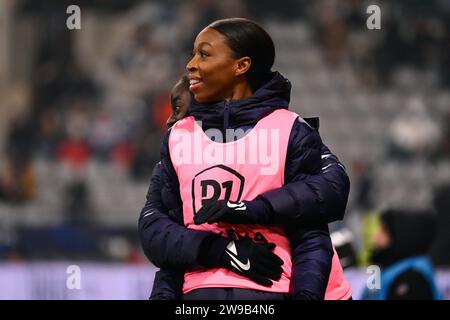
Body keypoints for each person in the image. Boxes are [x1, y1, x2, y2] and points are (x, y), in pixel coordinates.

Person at [139, 18, 352, 300]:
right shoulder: (179, 134)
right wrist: (220, 249)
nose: (190, 64)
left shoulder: (290, 130)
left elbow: (312, 235)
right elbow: (157, 229)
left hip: (270, 291)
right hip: (198, 294)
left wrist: (251, 209)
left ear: (241, 66)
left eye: (203, 53)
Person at [362, 209, 442, 300]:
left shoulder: (413, 279)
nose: (376, 235)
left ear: (401, 236)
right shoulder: (389, 270)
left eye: (384, 230)